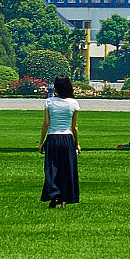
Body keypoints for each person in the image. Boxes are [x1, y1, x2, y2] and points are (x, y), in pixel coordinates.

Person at [38, 75, 81, 207]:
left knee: (52, 169)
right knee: (67, 169)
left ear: (55, 87)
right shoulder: (73, 103)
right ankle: (64, 199)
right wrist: (77, 143)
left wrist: (41, 141)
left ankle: (54, 194)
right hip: (67, 138)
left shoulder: (49, 102)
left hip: (53, 137)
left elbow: (46, 124)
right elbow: (74, 126)